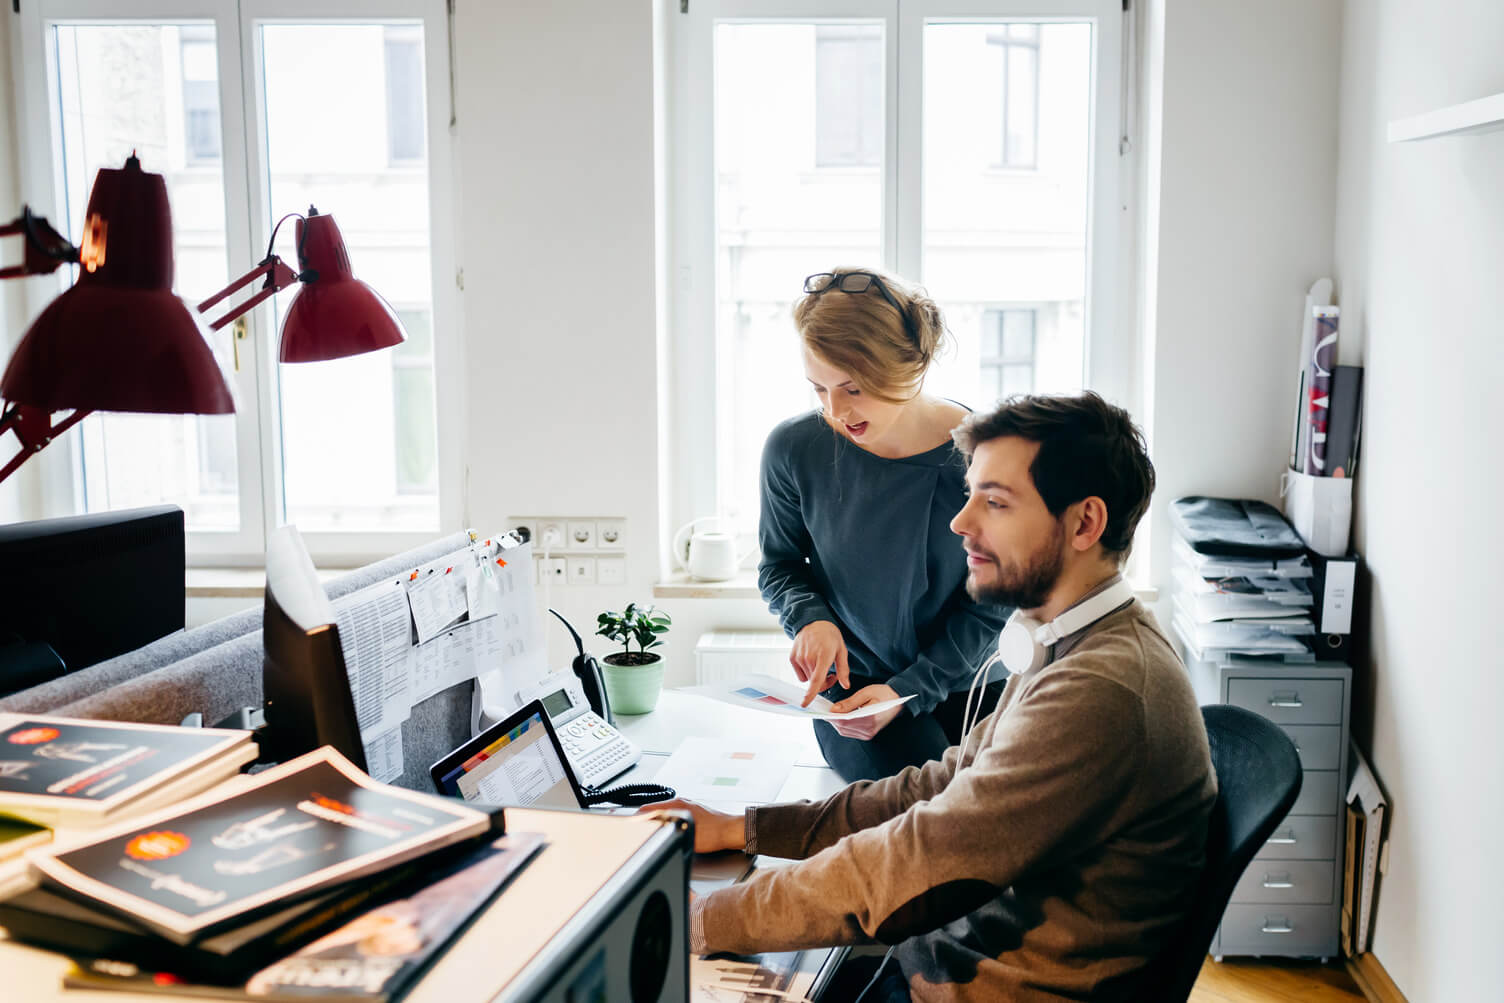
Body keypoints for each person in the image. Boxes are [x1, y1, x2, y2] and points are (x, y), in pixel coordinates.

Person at [666, 392, 1218, 1002]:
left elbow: (914, 863)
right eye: (970, 494)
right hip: (948, 969)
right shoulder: (1065, 642)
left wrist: (701, 920)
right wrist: (746, 828)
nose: (962, 523)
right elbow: (938, 788)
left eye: (996, 502)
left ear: (1085, 523)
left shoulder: (1102, 688)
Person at [759, 268, 1012, 783]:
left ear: (907, 366)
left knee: (999, 812)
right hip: (857, 694)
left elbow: (994, 601)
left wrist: (912, 686)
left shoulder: (987, 453)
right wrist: (811, 619)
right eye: (819, 389)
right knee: (922, 806)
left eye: (852, 388)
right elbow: (780, 564)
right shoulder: (792, 449)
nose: (835, 410)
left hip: (970, 680)